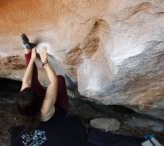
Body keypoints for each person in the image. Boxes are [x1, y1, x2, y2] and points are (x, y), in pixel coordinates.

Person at [10, 34, 142, 146]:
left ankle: (27, 49)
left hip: (35, 109)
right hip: (57, 111)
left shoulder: (24, 102)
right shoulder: (45, 108)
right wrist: (44, 62)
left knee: (31, 82)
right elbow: (54, 81)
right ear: (39, 100)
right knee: (60, 79)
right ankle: (29, 52)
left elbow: (26, 81)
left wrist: (30, 58)